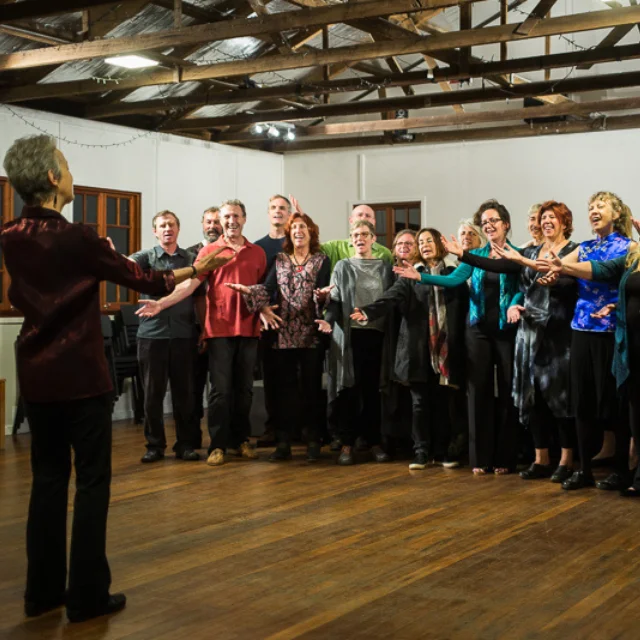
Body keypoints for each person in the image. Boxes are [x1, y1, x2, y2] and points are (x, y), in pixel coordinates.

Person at [0, 134, 232, 623]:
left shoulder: (10, 235)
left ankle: (42, 593)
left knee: (47, 480)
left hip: (36, 372)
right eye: (66, 164)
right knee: (91, 482)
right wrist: (199, 266)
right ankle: (86, 597)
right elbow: (144, 279)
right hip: (81, 374)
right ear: (52, 177)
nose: (71, 172)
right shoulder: (78, 237)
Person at [449, 201, 578, 483]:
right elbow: (508, 272)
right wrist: (467, 257)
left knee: (559, 398)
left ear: (564, 222)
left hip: (558, 331)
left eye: (552, 217)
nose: (545, 222)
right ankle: (541, 458)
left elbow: (573, 282)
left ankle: (566, 460)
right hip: (530, 330)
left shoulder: (574, 249)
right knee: (532, 396)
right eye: (543, 218)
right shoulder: (529, 251)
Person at [395, 199, 521, 475]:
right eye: (484, 222)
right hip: (477, 330)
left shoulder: (516, 254)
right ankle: (481, 458)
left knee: (508, 392)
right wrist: (421, 278)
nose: (488, 225)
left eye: (493, 221)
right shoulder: (475, 256)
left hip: (506, 331)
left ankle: (505, 458)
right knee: (478, 393)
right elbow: (453, 280)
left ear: (506, 224)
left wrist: (514, 303)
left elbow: (520, 285)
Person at [137, 200, 267, 467]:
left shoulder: (258, 253)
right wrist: (161, 304)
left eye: (236, 216)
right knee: (220, 391)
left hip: (249, 329)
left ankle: (240, 440)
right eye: (227, 216)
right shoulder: (209, 251)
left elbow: (264, 290)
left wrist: (265, 310)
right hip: (219, 329)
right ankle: (217, 445)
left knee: (244, 390)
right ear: (221, 220)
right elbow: (189, 285)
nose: (231, 221)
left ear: (244, 219)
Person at [534, 192, 634, 490]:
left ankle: (621, 470)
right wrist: (550, 273)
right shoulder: (585, 247)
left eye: (600, 206)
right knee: (582, 401)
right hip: (581, 328)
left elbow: (598, 272)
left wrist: (561, 268)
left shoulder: (628, 247)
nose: (594, 211)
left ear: (616, 214)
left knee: (613, 402)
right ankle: (585, 470)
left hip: (611, 331)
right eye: (591, 207)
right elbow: (555, 265)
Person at [353, 228, 468, 470]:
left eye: (429, 240)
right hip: (418, 348)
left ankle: (442, 451)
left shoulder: (453, 273)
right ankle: (421, 452)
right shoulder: (411, 274)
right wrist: (368, 312)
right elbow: (391, 297)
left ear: (440, 244)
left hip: (445, 348)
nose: (425, 245)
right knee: (419, 403)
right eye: (421, 241)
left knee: (443, 403)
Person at [226, 212, 330, 462]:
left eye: (302, 227)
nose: (298, 232)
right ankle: (283, 443)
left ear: (311, 232)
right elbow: (269, 288)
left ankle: (313, 441)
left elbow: (326, 294)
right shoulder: (279, 259)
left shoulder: (322, 260)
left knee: (311, 390)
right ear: (289, 234)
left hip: (311, 334)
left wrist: (323, 298)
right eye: (294, 228)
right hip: (282, 333)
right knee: (284, 392)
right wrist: (248, 291)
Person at [130, 210, 204, 463]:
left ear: (178, 229)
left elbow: (200, 296)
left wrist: (204, 329)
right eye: (162, 225)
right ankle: (154, 445)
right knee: (153, 395)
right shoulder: (146, 258)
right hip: (152, 336)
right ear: (155, 231)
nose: (167, 229)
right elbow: (126, 266)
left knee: (185, 394)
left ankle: (185, 445)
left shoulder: (191, 259)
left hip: (184, 335)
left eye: (171, 224)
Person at [324, 220, 394, 465]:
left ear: (374, 239)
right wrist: (327, 321)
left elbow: (391, 300)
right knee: (348, 390)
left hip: (377, 336)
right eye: (355, 235)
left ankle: (374, 442)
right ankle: (347, 443)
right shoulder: (343, 266)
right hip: (349, 336)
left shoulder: (385, 267)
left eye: (364, 234)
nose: (360, 238)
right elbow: (334, 300)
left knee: (373, 391)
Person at [254, 195, 293, 446]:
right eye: (273, 208)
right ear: (268, 213)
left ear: (289, 214)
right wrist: (262, 310)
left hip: (296, 319)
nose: (277, 211)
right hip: (268, 319)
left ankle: (296, 427)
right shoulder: (258, 247)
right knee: (271, 376)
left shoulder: (297, 242)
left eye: (282, 208)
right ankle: (272, 428)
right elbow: (257, 284)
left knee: (294, 377)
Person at [186, 206, 222, 449]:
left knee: (222, 388)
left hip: (223, 330)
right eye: (208, 222)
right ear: (202, 224)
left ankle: (223, 439)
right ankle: (191, 439)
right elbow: (193, 294)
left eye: (216, 222)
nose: (212, 226)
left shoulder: (231, 252)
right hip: (195, 331)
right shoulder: (189, 254)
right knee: (193, 387)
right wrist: (202, 329)